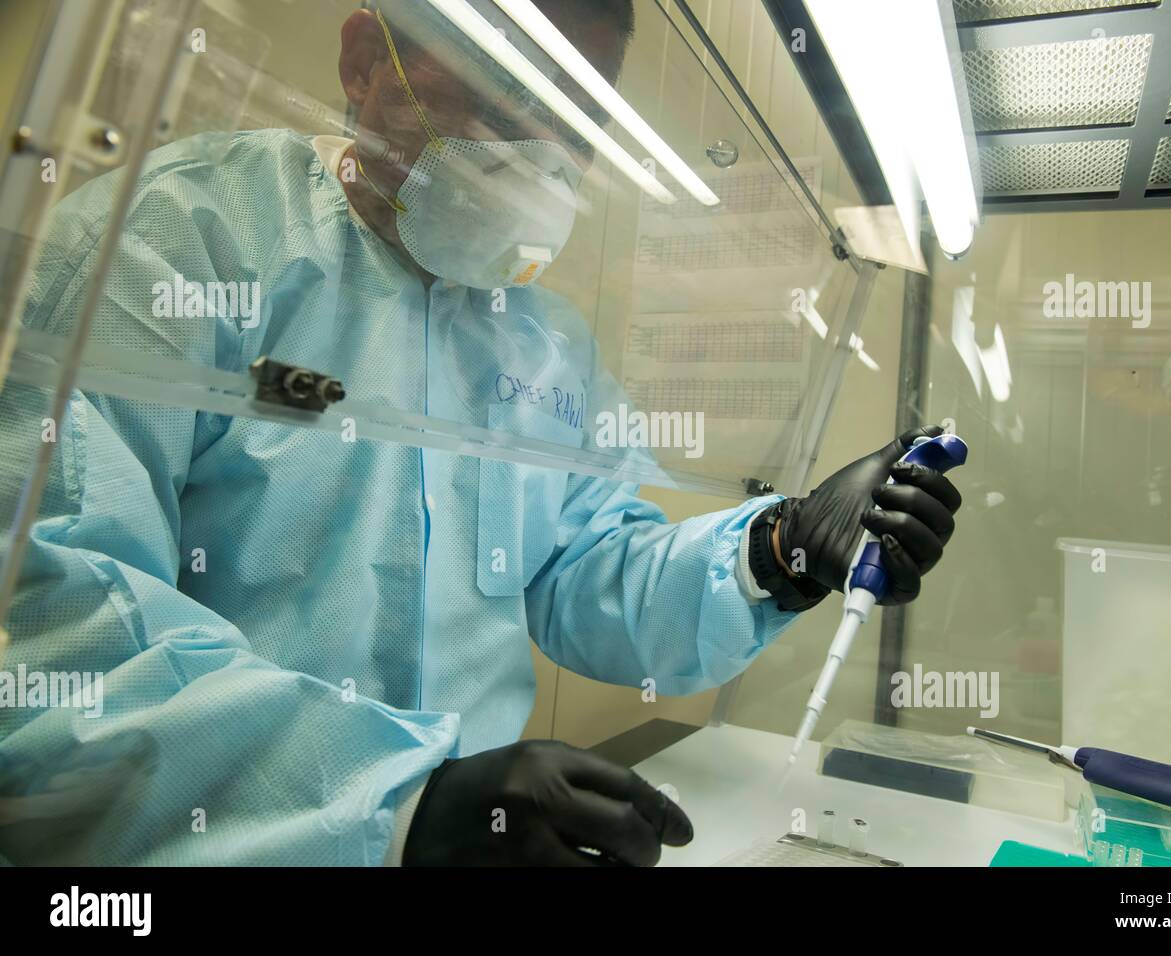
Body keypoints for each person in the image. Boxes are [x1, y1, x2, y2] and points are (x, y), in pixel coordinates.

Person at [0, 0, 960, 865]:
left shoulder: (543, 345)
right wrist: (402, 806)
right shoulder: (175, 244)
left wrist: (778, 548)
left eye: (574, 127)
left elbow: (588, 575)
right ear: (366, 60)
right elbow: (55, 638)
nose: (535, 156)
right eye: (504, 101)